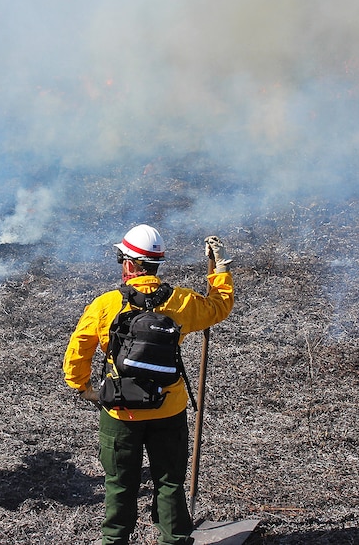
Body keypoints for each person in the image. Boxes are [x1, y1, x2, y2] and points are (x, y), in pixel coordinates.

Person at [63, 224, 234, 545]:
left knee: (119, 483)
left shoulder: (106, 304)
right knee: (170, 483)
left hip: (120, 410)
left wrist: (83, 387)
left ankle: (114, 540)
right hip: (169, 409)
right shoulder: (181, 301)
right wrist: (220, 270)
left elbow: (78, 350)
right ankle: (175, 539)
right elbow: (218, 307)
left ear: (128, 263)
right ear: (156, 263)